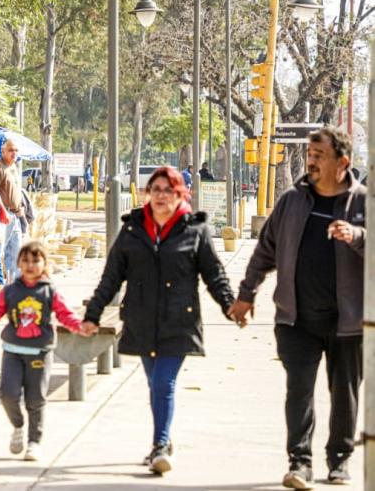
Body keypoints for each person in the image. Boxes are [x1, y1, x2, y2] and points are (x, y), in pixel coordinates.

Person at [227, 127, 366, 489]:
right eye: (310, 153)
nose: (312, 160)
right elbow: (265, 250)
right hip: (297, 318)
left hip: (348, 321)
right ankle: (299, 463)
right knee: (299, 391)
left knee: (345, 393)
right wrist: (246, 294)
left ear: (343, 162)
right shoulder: (292, 202)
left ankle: (340, 460)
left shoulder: (362, 202)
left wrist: (357, 236)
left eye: (320, 154)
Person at [80, 166, 236, 475]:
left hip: (179, 320)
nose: (162, 196)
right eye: (156, 190)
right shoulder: (132, 229)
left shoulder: (195, 229)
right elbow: (111, 277)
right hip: (141, 319)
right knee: (154, 384)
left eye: (169, 190)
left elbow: (214, 274)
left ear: (181, 195)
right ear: (148, 193)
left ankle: (160, 445)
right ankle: (163, 439)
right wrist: (92, 315)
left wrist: (230, 305)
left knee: (164, 382)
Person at [0, 241, 82, 461]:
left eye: (35, 260)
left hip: (40, 352)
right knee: (8, 394)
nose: (29, 265)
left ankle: (34, 442)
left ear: (45, 264)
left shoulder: (50, 292)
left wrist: (81, 327)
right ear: (18, 262)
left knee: (35, 398)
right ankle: (18, 426)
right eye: (25, 260)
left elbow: (66, 315)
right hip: (13, 351)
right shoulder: (10, 291)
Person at [0, 140, 24, 281]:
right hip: (3, 215)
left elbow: (15, 192)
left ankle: (14, 289)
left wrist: (20, 207)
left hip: (15, 215)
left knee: (16, 253)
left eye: (16, 150)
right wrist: (3, 211)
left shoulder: (14, 167)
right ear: (3, 151)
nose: (14, 153)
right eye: (11, 150)